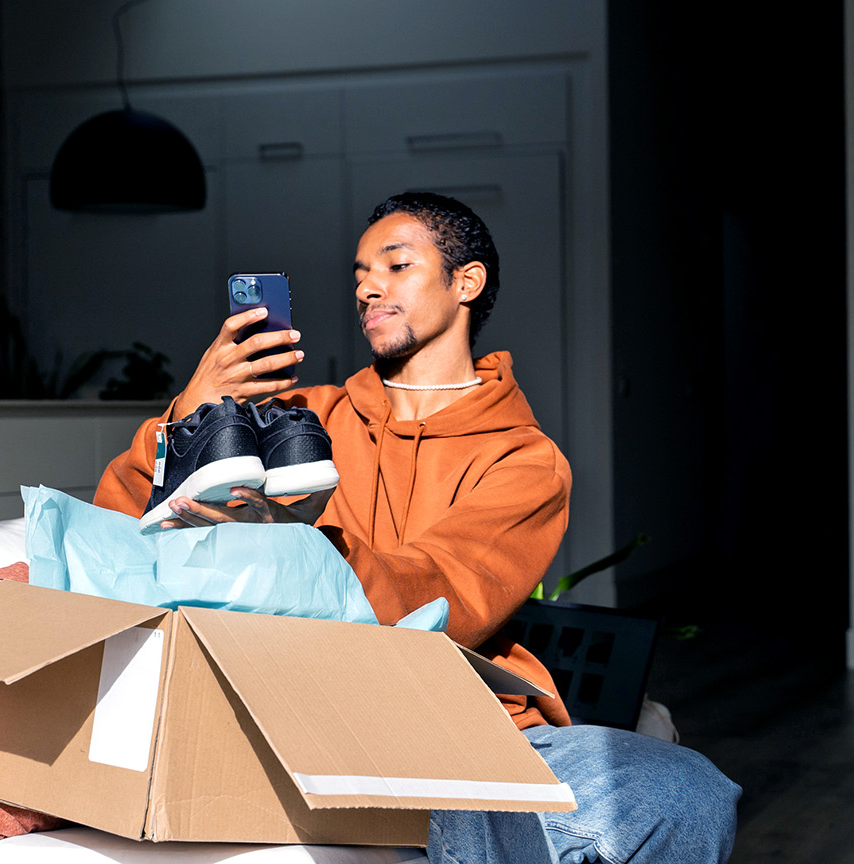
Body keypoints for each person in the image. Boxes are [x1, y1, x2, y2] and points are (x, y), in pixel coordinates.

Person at [95, 192, 739, 863]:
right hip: (292, 703)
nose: (367, 288)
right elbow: (119, 524)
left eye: (396, 266)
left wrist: (300, 548)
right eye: (359, 275)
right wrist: (193, 411)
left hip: (450, 716)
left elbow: (442, 596)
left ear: (466, 282)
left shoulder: (524, 459)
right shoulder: (298, 421)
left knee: (686, 791)